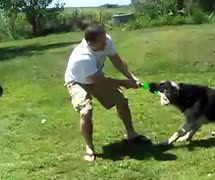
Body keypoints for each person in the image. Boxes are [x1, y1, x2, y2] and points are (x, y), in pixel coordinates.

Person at [64, 23, 151, 162]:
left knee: (121, 101)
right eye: (102, 42)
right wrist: (125, 83)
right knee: (86, 111)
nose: (106, 44)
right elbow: (100, 81)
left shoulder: (106, 40)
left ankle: (131, 134)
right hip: (77, 81)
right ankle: (90, 148)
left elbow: (117, 61)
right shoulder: (83, 57)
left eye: (105, 39)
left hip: (95, 76)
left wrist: (132, 78)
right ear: (90, 43)